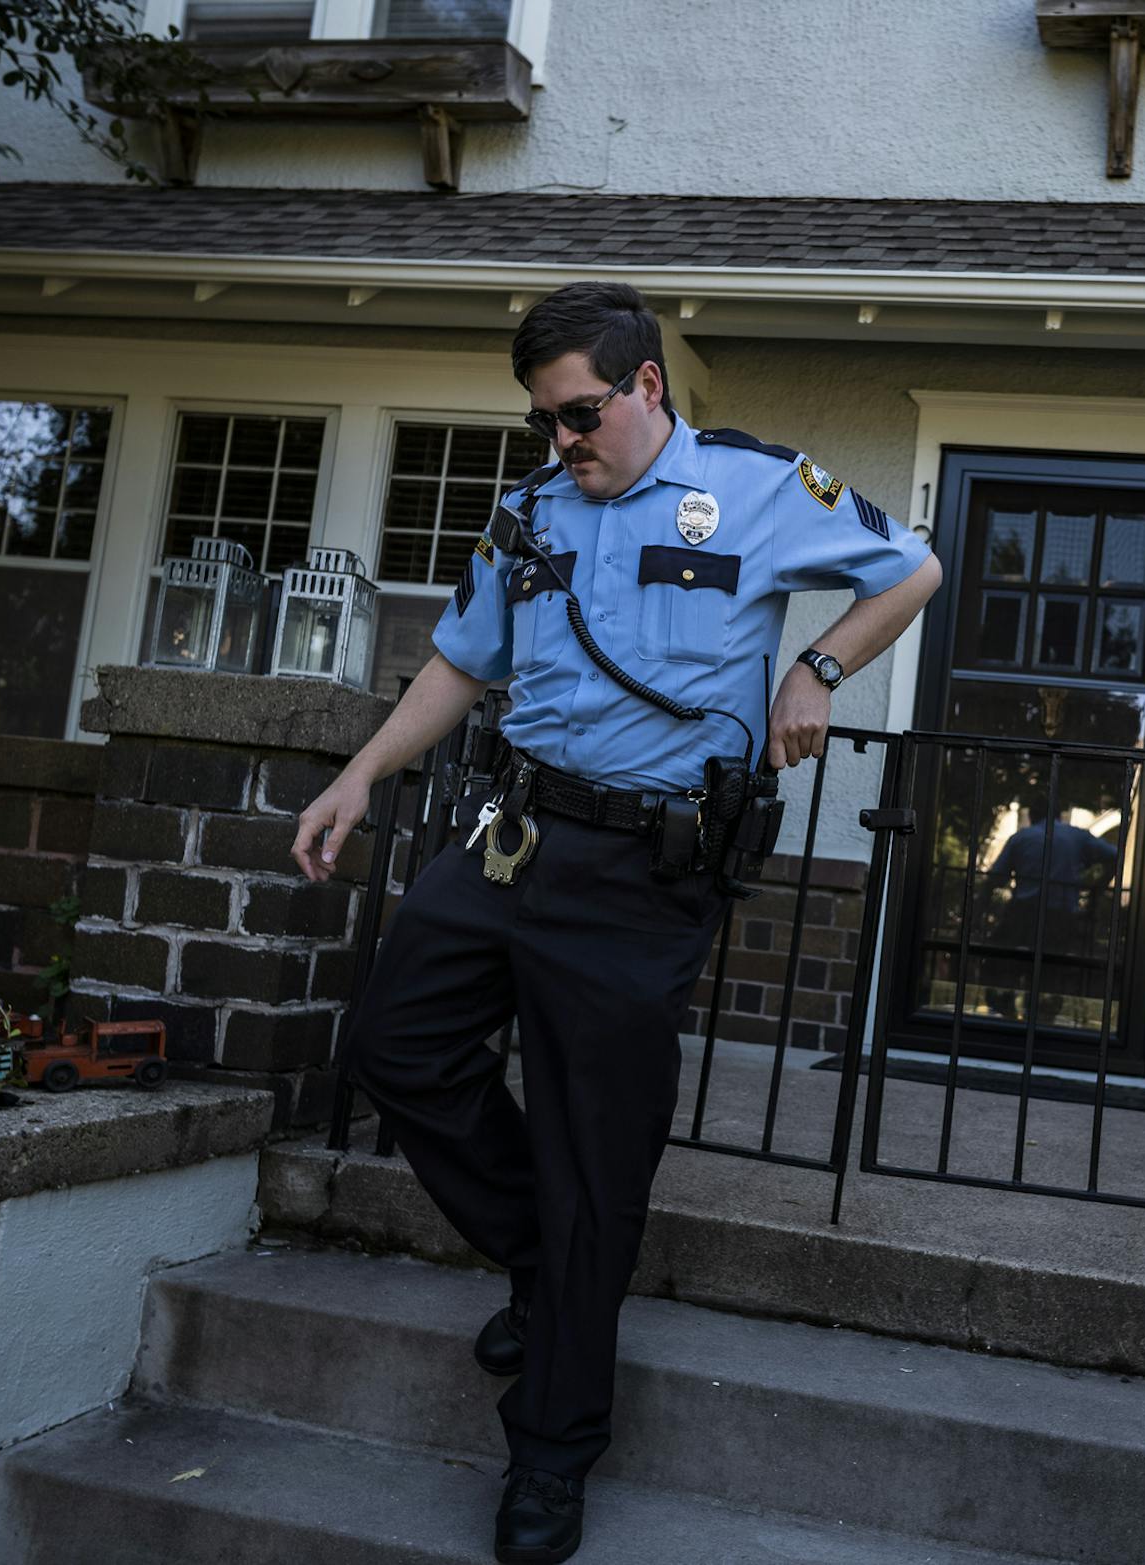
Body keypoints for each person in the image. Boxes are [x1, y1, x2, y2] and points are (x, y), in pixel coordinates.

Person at [288, 281, 941, 1564]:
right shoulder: (530, 506)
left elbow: (911, 565)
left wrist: (816, 667)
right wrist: (362, 773)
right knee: (393, 1048)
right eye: (543, 421)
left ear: (646, 386)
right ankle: (546, 1258)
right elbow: (464, 659)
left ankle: (552, 1446)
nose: (560, 441)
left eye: (579, 413)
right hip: (510, 833)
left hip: (647, 871)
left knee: (599, 1157)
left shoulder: (751, 487)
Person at [983, 803, 1119, 1021]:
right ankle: (1042, 1016)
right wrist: (1098, 886)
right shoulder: (1078, 837)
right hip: (1060, 914)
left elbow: (996, 876)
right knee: (1050, 968)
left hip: (1024, 912)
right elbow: (1114, 855)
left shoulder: (1021, 837)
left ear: (1032, 816)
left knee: (1008, 961)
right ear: (1059, 816)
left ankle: (1006, 1012)